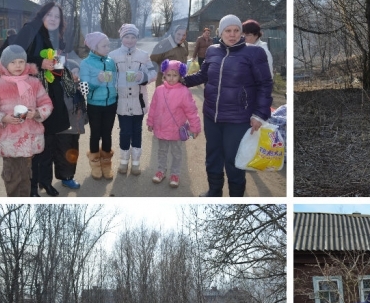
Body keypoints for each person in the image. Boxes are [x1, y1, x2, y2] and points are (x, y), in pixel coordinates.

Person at [183, 14, 273, 197]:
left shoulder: (254, 53)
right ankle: (214, 192)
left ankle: (236, 197)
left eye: (236, 30)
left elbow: (265, 84)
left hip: (238, 119)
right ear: (220, 32)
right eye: (228, 31)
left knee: (234, 161)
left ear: (241, 32)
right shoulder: (212, 51)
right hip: (211, 116)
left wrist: (259, 114)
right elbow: (203, 75)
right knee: (213, 157)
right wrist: (181, 81)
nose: (232, 34)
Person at [14, 2, 82, 196]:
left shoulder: (56, 37)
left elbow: (56, 65)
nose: (53, 19)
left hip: (53, 95)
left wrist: (68, 73)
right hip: (33, 94)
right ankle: (32, 187)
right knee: (36, 143)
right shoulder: (30, 30)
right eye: (49, 14)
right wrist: (38, 61)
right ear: (42, 14)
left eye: (57, 16)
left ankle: (46, 181)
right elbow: (13, 56)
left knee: (50, 141)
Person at [0, 45, 53, 196]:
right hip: (10, 140)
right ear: (5, 64)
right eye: (13, 62)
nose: (18, 66)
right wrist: (3, 118)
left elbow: (47, 103)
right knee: (12, 176)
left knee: (26, 175)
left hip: (31, 139)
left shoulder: (33, 83)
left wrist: (37, 113)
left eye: (21, 61)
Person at [110, 23, 157, 176]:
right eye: (126, 37)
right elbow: (109, 77)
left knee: (137, 131)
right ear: (121, 37)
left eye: (133, 37)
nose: (129, 40)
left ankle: (136, 163)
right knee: (124, 132)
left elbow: (153, 73)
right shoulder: (113, 56)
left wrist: (143, 77)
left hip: (139, 102)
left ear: (137, 38)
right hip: (121, 103)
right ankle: (123, 162)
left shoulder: (143, 55)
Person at [146, 60, 201, 188]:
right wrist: (150, 121)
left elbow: (191, 111)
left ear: (180, 76)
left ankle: (175, 174)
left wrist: (195, 127)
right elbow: (153, 107)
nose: (171, 78)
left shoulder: (184, 92)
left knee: (176, 153)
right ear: (164, 75)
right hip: (161, 129)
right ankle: (161, 171)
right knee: (161, 151)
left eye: (175, 75)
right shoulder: (159, 90)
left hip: (176, 130)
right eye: (168, 75)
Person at [80, 31, 118, 180]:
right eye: (104, 45)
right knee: (95, 134)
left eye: (108, 45)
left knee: (107, 134)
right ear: (94, 47)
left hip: (111, 103)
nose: (108, 48)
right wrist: (97, 80)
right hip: (95, 105)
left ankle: (107, 164)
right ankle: (95, 164)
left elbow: (115, 80)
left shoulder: (110, 61)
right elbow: (84, 88)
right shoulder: (86, 63)